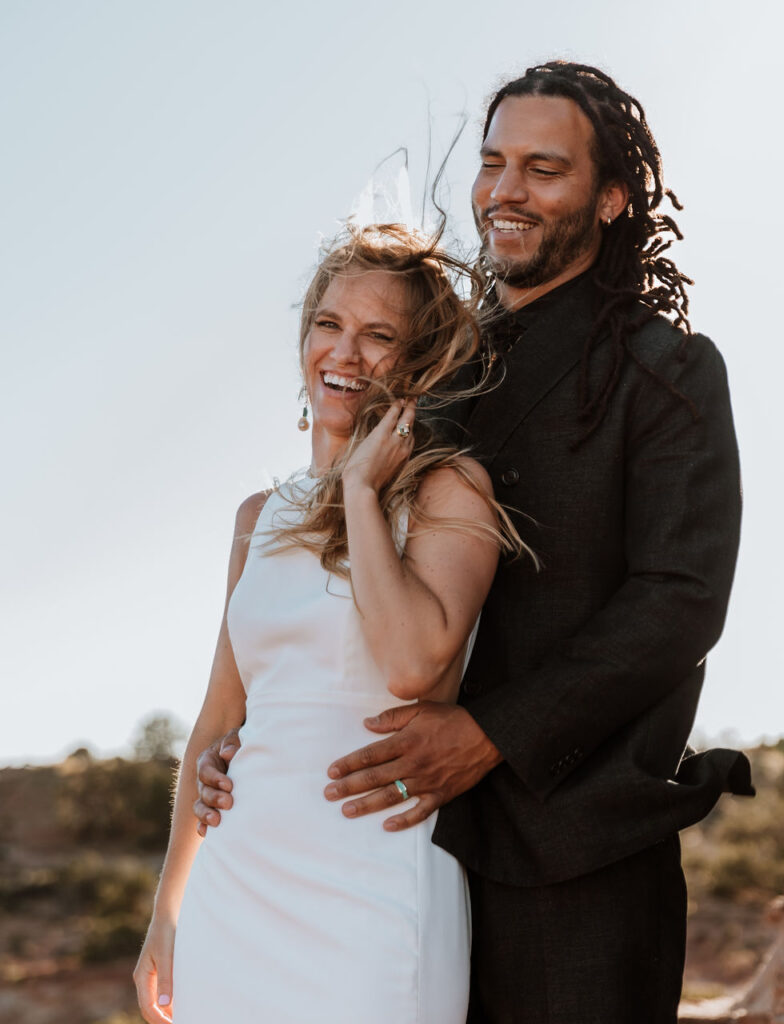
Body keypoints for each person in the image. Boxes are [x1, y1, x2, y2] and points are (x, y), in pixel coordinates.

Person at [195, 62, 754, 1023]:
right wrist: (259, 735)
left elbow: (679, 600)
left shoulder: (667, 372)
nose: (503, 191)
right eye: (493, 163)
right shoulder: (432, 370)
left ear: (612, 197)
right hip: (389, 850)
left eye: (543, 168)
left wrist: (492, 735)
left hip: (574, 852)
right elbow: (327, 548)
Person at [133, 223, 529, 1024]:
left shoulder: (451, 492)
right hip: (236, 888)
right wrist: (167, 910)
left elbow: (414, 668)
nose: (343, 354)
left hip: (373, 888)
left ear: (419, 359)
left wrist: (356, 493)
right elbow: (218, 717)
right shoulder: (257, 516)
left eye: (378, 336)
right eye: (328, 324)